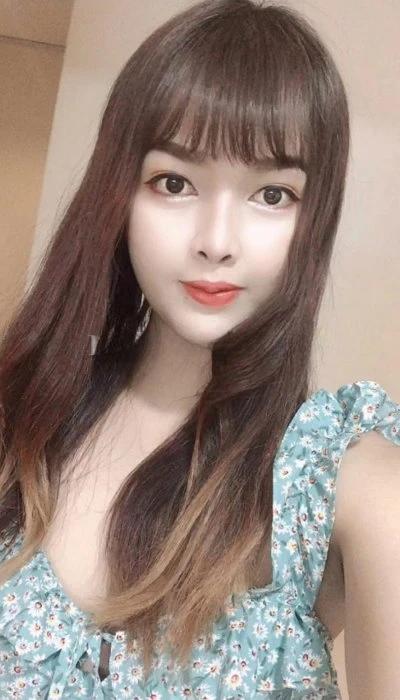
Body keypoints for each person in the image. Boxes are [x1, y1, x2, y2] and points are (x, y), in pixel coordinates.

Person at [0, 0, 399, 697]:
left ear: (316, 218)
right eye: (175, 183)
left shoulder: (344, 485)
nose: (216, 241)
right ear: (118, 192)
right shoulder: (24, 416)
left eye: (271, 194)